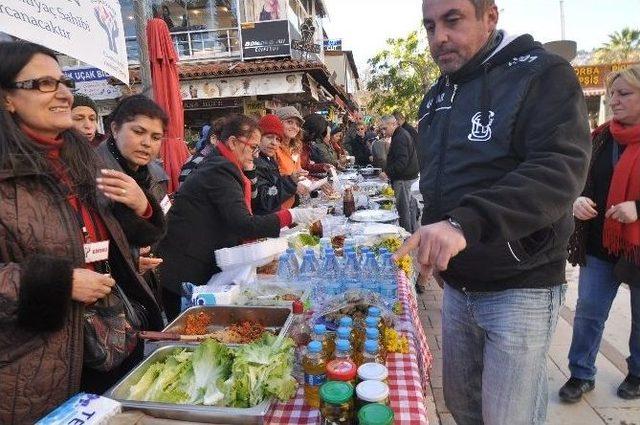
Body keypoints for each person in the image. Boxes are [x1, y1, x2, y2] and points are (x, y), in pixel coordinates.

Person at [393, 1, 592, 424]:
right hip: (460, 286)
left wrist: (462, 224)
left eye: (453, 20)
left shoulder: (541, 74)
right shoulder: (436, 96)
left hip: (521, 286)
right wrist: (434, 232)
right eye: (430, 26)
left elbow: (559, 170)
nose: (439, 36)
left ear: (490, 17)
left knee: (508, 417)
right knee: (463, 408)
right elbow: (438, 181)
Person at [0, 41, 166, 424]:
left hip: (109, 335)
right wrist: (59, 282)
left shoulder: (79, 158)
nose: (62, 93)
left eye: (62, 81)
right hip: (35, 363)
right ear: (7, 98)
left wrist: (141, 209)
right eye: (42, 83)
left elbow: (96, 234)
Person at [158, 115, 326, 320]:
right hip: (186, 270)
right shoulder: (220, 169)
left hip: (197, 262)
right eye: (253, 147)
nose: (255, 155)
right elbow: (244, 224)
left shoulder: (225, 165)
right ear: (233, 142)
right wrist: (291, 215)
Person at [562, 65, 640, 403]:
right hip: (599, 244)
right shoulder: (601, 136)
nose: (615, 100)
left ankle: (637, 373)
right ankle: (581, 373)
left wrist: (638, 207)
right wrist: (577, 200)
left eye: (625, 94)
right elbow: (578, 181)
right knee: (588, 312)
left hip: (637, 248)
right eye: (613, 94)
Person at [253, 114, 308, 215]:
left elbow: (274, 187)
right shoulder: (254, 162)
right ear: (258, 138)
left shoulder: (268, 159)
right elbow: (266, 199)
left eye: (278, 139)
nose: (274, 143)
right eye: (269, 137)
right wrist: (291, 182)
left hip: (282, 212)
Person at [380, 115, 419, 232]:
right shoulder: (400, 134)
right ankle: (412, 234)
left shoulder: (400, 137)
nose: (383, 131)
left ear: (393, 124)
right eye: (382, 129)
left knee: (404, 210)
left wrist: (387, 172)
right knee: (409, 209)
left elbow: (402, 162)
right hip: (407, 178)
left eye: (384, 128)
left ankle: (406, 237)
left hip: (404, 179)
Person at [178, 117, 224, 186]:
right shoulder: (194, 163)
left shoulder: (221, 161)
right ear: (213, 139)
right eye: (231, 141)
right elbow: (184, 193)